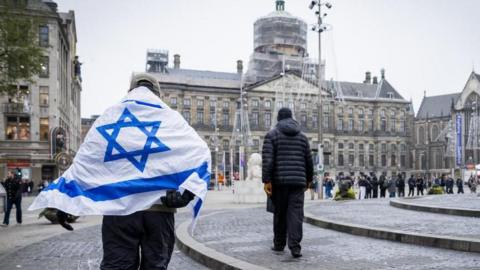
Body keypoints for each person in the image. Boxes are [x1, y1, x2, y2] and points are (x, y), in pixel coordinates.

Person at [99, 73, 197, 270]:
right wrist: (186, 194)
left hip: (121, 209)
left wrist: (63, 202)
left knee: (118, 267)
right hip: (159, 211)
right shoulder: (173, 122)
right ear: (158, 96)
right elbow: (197, 157)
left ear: (129, 92)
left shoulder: (111, 119)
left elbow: (90, 160)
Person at [262, 107, 313, 258]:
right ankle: (295, 247)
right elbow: (309, 161)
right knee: (296, 214)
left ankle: (279, 244)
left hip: (279, 182)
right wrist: (309, 179)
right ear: (292, 118)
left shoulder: (272, 135)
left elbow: (268, 160)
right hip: (298, 183)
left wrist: (266, 180)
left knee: (280, 213)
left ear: (278, 119)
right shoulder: (303, 138)